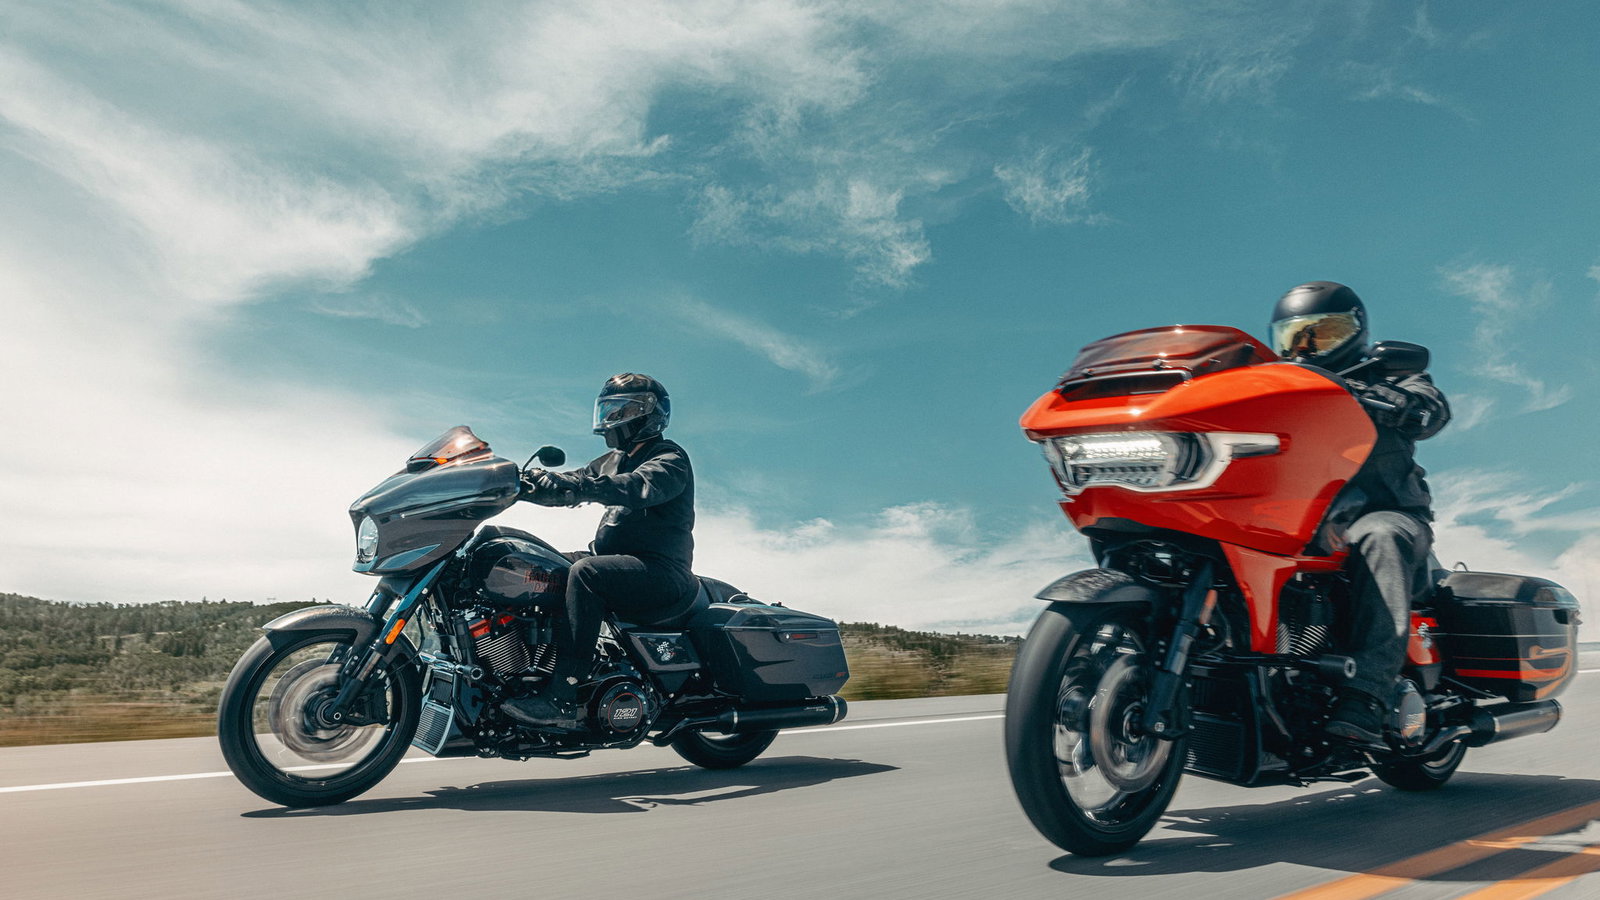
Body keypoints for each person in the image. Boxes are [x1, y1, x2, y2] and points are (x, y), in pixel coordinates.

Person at [1268, 281, 1451, 745]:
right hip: (1305, 522)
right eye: (1295, 337)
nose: (1307, 347)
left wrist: (1403, 404)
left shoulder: (1386, 378)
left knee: (1379, 534)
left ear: (1356, 332)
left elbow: (1431, 409)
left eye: (1323, 333)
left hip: (1389, 515)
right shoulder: (1280, 392)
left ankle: (1366, 696)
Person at [504, 373, 697, 729]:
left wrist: (579, 486)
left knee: (587, 574)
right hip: (620, 564)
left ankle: (563, 697)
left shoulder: (669, 458)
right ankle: (524, 672)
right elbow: (573, 481)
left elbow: (635, 486)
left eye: (623, 408)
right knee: (532, 563)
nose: (613, 417)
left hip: (661, 571)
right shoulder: (610, 459)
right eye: (609, 409)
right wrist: (519, 481)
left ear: (651, 413)